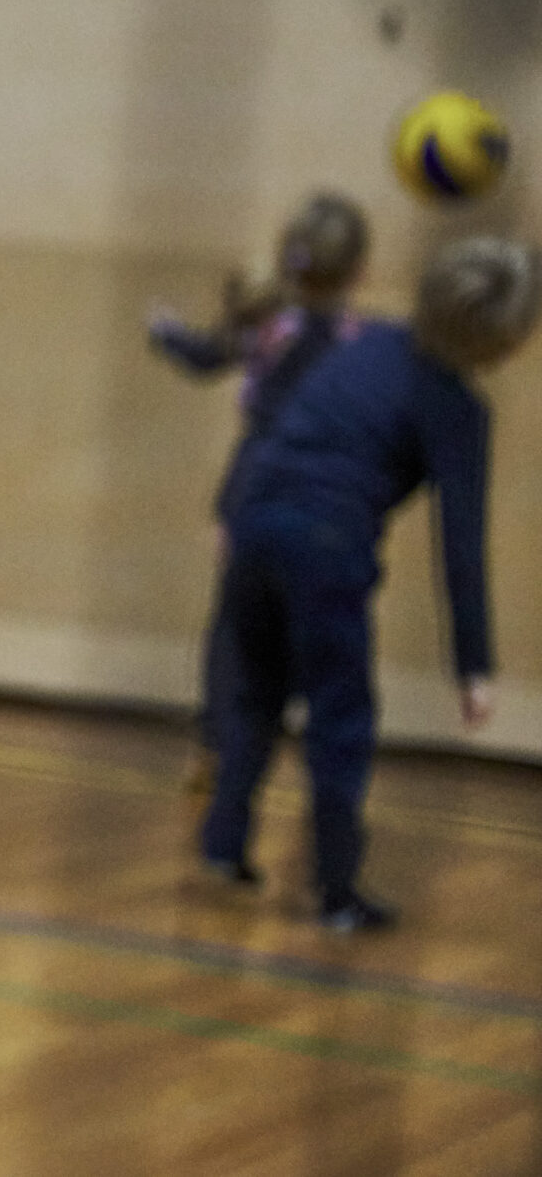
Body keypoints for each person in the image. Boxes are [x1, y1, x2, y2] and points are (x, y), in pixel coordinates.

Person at [196, 236, 534, 931]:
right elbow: (460, 544)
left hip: (257, 518)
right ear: (505, 341)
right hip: (326, 547)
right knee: (341, 718)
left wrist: (233, 511)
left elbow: (279, 422)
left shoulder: (363, 342)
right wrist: (474, 664)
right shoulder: (459, 410)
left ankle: (223, 844)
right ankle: (336, 891)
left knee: (257, 690)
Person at [149, 192, 369, 776]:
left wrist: (165, 331)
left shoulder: (268, 325)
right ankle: (307, 754)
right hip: (328, 496)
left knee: (237, 622)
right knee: (318, 624)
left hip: (254, 486)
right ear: (359, 268)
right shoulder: (361, 341)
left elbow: (204, 353)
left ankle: (219, 746)